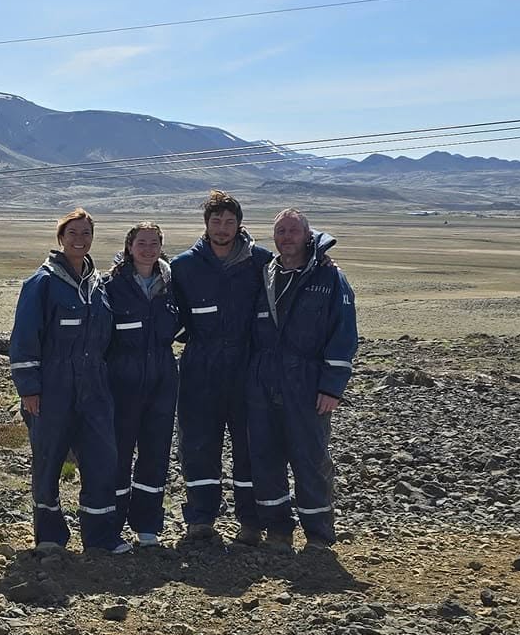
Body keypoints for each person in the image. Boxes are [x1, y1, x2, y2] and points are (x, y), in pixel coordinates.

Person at [10, 209, 127, 555]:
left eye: (86, 233)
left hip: (94, 390)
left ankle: (101, 538)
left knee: (101, 460)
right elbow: (25, 337)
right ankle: (50, 538)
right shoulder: (42, 283)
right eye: (73, 233)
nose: (80, 239)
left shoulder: (97, 285)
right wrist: (29, 388)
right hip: (53, 389)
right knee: (48, 461)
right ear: (61, 238)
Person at [245, 208, 358, 550]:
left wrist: (331, 386)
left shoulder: (329, 279)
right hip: (265, 381)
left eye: (293, 231)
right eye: (280, 232)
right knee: (266, 457)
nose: (286, 238)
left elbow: (344, 334)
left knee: (310, 458)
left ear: (307, 235)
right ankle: (278, 530)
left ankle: (318, 535)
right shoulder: (265, 274)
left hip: (307, 384)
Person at [171, 189, 273, 544]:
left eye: (230, 222)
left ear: (240, 225)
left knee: (249, 446)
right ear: (206, 224)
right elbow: (171, 314)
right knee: (198, 445)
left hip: (247, 370)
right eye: (216, 221)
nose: (223, 228)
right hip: (201, 370)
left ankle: (251, 522)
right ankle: (201, 519)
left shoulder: (261, 262)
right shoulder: (184, 266)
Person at [104, 221, 178, 546]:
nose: (147, 249)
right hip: (123, 380)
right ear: (129, 247)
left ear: (161, 246)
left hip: (162, 379)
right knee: (117, 455)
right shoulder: (112, 284)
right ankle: (111, 526)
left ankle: (147, 526)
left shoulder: (173, 283)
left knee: (155, 453)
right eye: (141, 243)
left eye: (153, 242)